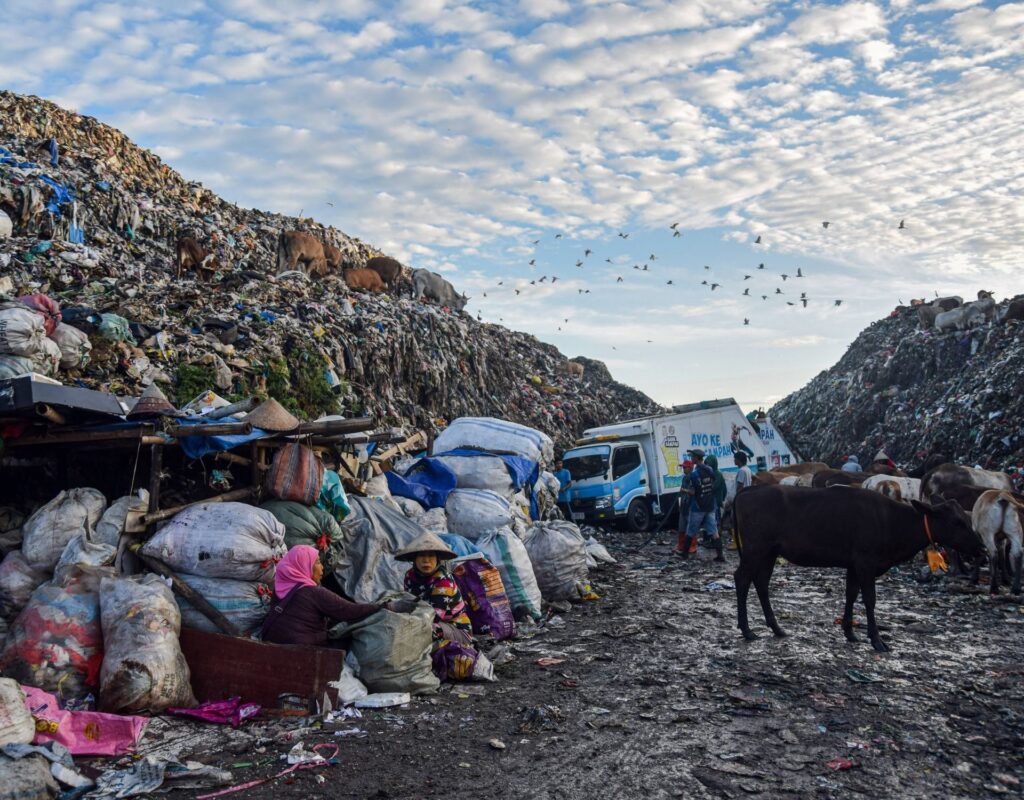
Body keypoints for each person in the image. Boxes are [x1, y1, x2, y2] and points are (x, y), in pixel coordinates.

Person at [261, 545, 406, 646]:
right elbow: (350, 611)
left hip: (272, 640)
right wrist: (385, 606)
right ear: (304, 566)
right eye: (317, 562)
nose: (322, 567)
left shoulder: (280, 588)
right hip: (302, 647)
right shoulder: (313, 592)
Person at [395, 533, 491, 683]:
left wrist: (408, 626)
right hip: (422, 621)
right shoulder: (410, 576)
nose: (426, 560)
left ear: (437, 559)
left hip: (455, 629)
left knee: (421, 631)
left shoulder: (443, 581)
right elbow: (409, 603)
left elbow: (434, 617)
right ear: (414, 559)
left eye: (431, 556)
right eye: (421, 556)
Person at [679, 449, 723, 562]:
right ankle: (720, 555)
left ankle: (684, 554)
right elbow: (711, 483)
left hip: (698, 507)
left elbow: (693, 492)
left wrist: (684, 490)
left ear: (696, 458)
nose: (691, 459)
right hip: (710, 505)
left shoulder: (694, 474)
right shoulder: (710, 470)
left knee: (691, 530)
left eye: (692, 457)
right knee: (714, 531)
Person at [729, 452, 753, 551]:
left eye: (735, 458)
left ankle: (736, 542)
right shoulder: (748, 469)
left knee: (734, 520)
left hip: (740, 499)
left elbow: (740, 486)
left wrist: (736, 500)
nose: (734, 460)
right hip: (747, 498)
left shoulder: (741, 471)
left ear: (738, 459)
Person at [672, 460, 695, 555]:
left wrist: (684, 490)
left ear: (690, 468)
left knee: (690, 527)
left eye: (685, 467)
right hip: (684, 506)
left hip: (690, 506)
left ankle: (692, 546)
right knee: (681, 527)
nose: (683, 469)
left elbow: (693, 492)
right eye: (683, 467)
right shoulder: (684, 478)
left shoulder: (693, 478)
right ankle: (681, 545)